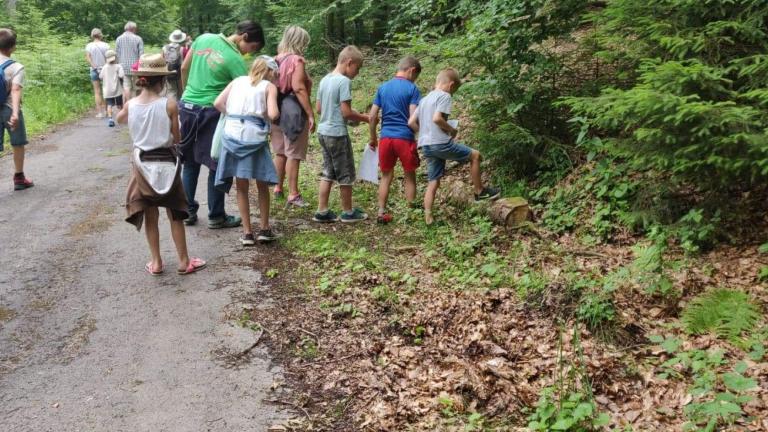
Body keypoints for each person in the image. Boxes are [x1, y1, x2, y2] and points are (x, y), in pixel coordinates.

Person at [118, 53, 206, 276]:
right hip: (167, 163)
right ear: (163, 81)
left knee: (150, 215)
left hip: (141, 165)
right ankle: (184, 261)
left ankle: (156, 262)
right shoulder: (169, 104)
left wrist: (127, 106)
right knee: (175, 213)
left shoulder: (131, 105)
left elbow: (119, 119)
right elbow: (176, 138)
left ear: (141, 80)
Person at [178, 20, 265, 229]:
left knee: (190, 162)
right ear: (244, 37)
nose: (249, 54)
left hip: (187, 106)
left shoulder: (203, 38)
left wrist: (187, 93)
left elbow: (183, 67)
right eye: (251, 48)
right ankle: (216, 215)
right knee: (215, 163)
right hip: (211, 113)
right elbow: (245, 90)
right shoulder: (235, 59)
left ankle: (187, 211)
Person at [408, 68, 500, 225]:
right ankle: (479, 192)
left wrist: (423, 133)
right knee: (476, 155)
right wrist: (452, 130)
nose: (452, 93)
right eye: (454, 91)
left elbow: (410, 122)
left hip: (426, 146)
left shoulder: (424, 100)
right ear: (450, 85)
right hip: (440, 143)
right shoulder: (444, 96)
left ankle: (428, 216)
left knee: (433, 181)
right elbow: (437, 119)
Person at [213, 56, 280, 245]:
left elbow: (217, 103)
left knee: (241, 187)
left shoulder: (237, 82)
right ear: (271, 72)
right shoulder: (269, 86)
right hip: (255, 139)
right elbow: (274, 114)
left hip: (232, 136)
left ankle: (247, 233)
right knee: (261, 185)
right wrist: (265, 115)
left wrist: (233, 115)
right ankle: (265, 229)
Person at [313, 46, 370, 223]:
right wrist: (364, 117)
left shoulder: (324, 80)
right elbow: (346, 113)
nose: (357, 73)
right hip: (337, 134)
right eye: (357, 69)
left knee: (328, 171)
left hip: (323, 132)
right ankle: (348, 212)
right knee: (345, 173)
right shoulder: (344, 82)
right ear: (349, 62)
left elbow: (319, 109)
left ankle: (322, 211)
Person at [368, 56, 422, 224]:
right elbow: (412, 118)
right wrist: (421, 134)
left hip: (386, 138)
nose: (415, 79)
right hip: (404, 138)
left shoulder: (383, 88)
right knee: (409, 175)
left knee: (385, 176)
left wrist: (373, 138)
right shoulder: (412, 89)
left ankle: (381, 212)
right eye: (415, 76)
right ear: (412, 70)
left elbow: (371, 116)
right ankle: (410, 213)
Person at [271, 25, 314, 208]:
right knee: (293, 153)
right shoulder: (297, 60)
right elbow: (298, 87)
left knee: (280, 151)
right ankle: (293, 194)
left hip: (275, 110)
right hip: (293, 112)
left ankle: (277, 188)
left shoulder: (273, 60)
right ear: (299, 42)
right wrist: (310, 114)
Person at [0, 29, 32, 190]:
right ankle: (19, 178)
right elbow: (16, 89)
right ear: (13, 47)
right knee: (17, 143)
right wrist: (14, 113)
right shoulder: (16, 67)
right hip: (8, 109)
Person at [115, 21, 144, 102]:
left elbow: (116, 54)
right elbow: (141, 55)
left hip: (123, 66)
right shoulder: (138, 38)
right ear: (133, 29)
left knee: (126, 86)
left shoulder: (119, 39)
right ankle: (138, 102)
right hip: (136, 67)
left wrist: (117, 66)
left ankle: (128, 104)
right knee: (137, 86)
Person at [85, 28, 109, 118]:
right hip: (105, 70)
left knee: (97, 92)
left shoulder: (89, 46)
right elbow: (109, 59)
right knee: (106, 90)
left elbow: (88, 58)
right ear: (100, 35)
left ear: (92, 35)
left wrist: (94, 66)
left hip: (94, 70)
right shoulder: (106, 45)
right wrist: (105, 66)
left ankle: (99, 113)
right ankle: (107, 111)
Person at [99, 50, 124, 127]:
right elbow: (121, 75)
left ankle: (110, 119)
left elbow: (100, 77)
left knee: (109, 105)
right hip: (117, 90)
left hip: (107, 90)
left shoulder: (104, 67)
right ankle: (120, 119)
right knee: (119, 105)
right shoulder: (118, 66)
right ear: (115, 57)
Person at [162, 29, 186, 99]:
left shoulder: (164, 48)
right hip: (179, 73)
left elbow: (162, 61)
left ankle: (170, 106)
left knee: (171, 90)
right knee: (180, 91)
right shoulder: (182, 49)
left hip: (168, 71)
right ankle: (179, 107)